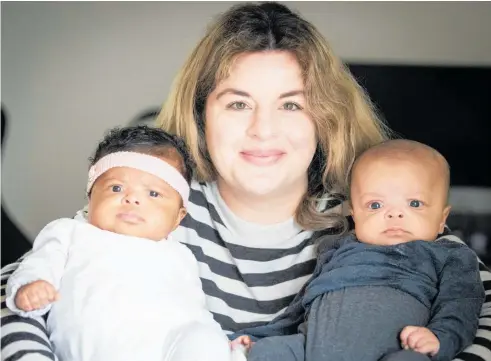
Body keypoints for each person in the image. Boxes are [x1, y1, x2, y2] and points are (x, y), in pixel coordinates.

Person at [1, 3, 490, 361]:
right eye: (238, 103)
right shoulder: (154, 205)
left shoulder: (377, 212)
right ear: (201, 115)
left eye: (291, 104)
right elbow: (15, 295)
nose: (263, 129)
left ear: (325, 118)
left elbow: (482, 304)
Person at [234, 139, 485, 361]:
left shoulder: (448, 256)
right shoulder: (337, 250)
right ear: (355, 215)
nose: (394, 213)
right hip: (311, 349)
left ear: (442, 219)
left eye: (415, 203)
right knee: (267, 353)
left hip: (392, 352)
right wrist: (259, 336)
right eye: (375, 204)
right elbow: (299, 307)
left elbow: (463, 306)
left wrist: (440, 339)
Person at [5, 126, 241, 361]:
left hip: (168, 347)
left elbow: (195, 310)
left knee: (202, 340)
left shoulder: (180, 255)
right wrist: (31, 286)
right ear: (90, 195)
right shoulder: (69, 232)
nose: (132, 198)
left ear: (178, 218)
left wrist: (220, 344)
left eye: (154, 194)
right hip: (98, 347)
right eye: (116, 188)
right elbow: (39, 263)